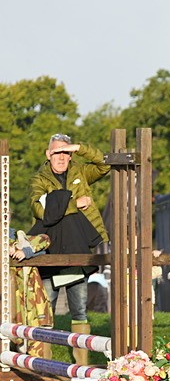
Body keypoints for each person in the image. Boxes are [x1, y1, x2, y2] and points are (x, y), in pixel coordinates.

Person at [30, 133, 110, 365]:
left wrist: (79, 147)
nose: (62, 157)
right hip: (51, 250)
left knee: (80, 310)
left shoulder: (80, 172)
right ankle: (42, 362)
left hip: (78, 247)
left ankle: (82, 365)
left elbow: (104, 164)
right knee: (46, 311)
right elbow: (40, 211)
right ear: (48, 154)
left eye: (66, 152)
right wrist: (75, 204)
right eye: (57, 152)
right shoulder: (39, 179)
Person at [9, 229, 52, 358]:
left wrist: (26, 252)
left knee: (37, 341)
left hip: (31, 303)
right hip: (12, 304)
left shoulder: (21, 239)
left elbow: (45, 239)